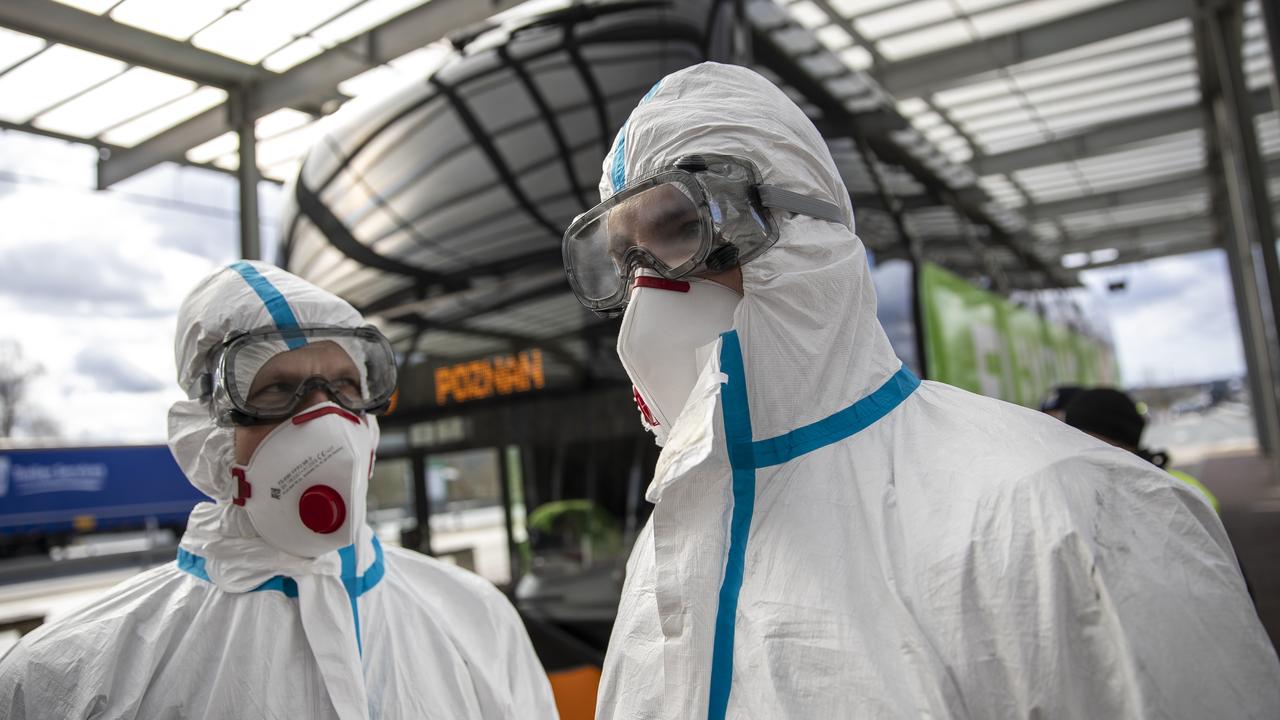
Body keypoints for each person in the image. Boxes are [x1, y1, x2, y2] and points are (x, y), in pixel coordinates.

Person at [561, 62, 1280, 719]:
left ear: (802, 233)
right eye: (625, 258)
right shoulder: (666, 552)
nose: (648, 288)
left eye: (682, 228)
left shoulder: (1066, 510)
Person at [0, 261, 558, 720]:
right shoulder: (68, 677)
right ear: (207, 431)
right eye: (279, 389)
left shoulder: (476, 617)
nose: (326, 420)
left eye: (344, 387)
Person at [1064, 387, 1220, 512]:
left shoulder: (1181, 493)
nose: (1075, 447)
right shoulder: (1077, 488)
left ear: (1119, 441)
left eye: (1083, 436)